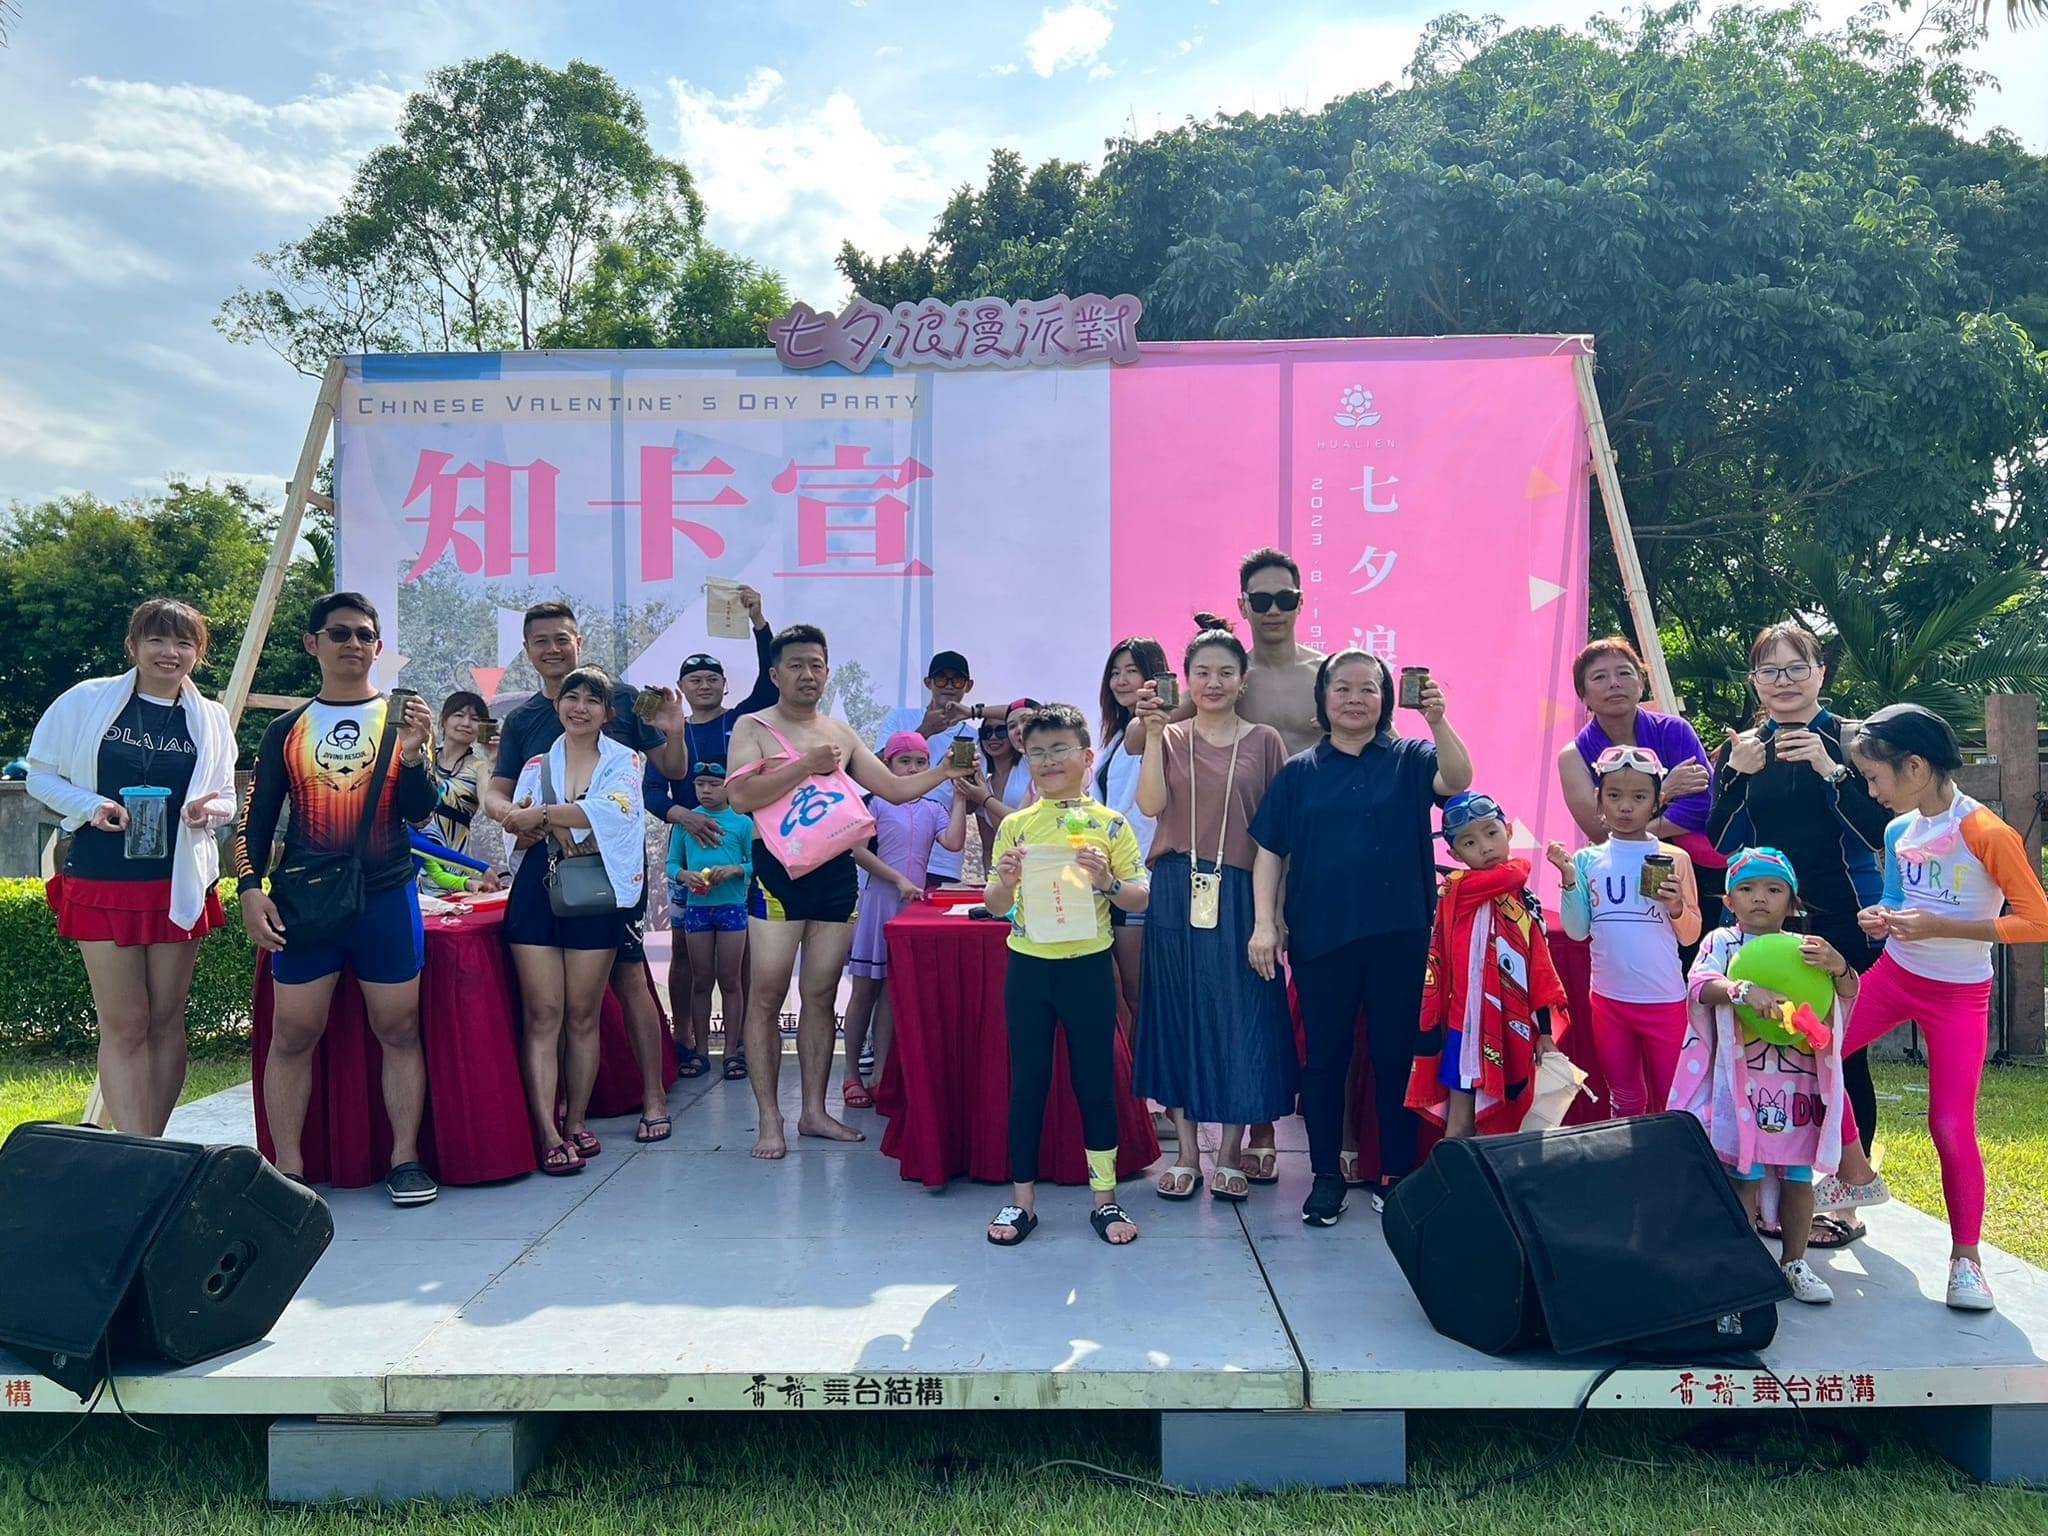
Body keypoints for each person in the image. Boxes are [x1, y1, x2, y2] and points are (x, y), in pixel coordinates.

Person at [1827, 705, 2048, 1312]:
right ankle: (1859, 1177)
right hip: (1895, 975)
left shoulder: (1987, 833)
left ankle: (1966, 1260)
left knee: (1950, 1127)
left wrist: (1939, 923)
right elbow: (1900, 900)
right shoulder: (1900, 832)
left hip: (1958, 996)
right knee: (1815, 1050)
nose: (1871, 791)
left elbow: (2036, 922)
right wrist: (1884, 918)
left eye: (1875, 778)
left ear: (1916, 766)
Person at [724, 624, 972, 1160]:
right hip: (777, 878)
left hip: (837, 876)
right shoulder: (754, 726)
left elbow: (895, 788)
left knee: (819, 994)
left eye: (816, 664)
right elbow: (739, 797)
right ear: (775, 674)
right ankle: (771, 1118)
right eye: (795, 665)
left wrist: (945, 773)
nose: (807, 674)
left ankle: (814, 1111)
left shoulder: (841, 731)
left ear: (827, 670)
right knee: (767, 996)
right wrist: (802, 767)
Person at [1249, 651, 1473, 1227]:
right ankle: (1326, 1176)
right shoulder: (1300, 771)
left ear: (1385, 698)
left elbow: (1459, 780)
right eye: (1342, 688)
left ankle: (1396, 1174)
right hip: (1322, 936)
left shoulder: (1410, 758)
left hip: (1400, 933)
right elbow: (1270, 851)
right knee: (1325, 1060)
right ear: (1323, 698)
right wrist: (1265, 923)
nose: (1354, 698)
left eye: (1367, 689)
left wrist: (1438, 720)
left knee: (1396, 1055)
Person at [234, 593, 440, 1207]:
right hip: (307, 900)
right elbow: (255, 820)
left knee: (399, 1028)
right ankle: (287, 1172)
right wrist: (248, 889)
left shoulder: (403, 720)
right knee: (293, 1034)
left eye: (365, 635)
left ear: (378, 647)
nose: (353, 644)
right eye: (340, 633)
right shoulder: (285, 729)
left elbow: (419, 812)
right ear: (312, 643)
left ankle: (404, 1158)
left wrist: (412, 754)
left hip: (386, 893)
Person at [1707, 622, 1891, 1250]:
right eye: (1768, 671)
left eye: (1795, 667)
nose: (1783, 682)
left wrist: (1833, 771)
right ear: (1754, 681)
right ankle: (1771, 1195)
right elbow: (1721, 840)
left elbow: (1878, 832)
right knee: (1766, 1056)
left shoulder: (1851, 740)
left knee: (1840, 1055)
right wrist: (1733, 775)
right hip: (1762, 924)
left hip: (1844, 919)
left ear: (1820, 672)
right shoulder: (1743, 746)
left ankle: (1845, 1200)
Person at [27, 598, 237, 1137]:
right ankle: (137, 1155)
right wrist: (92, 807)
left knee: (167, 1022)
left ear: (198, 652)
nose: (170, 653)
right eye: (158, 640)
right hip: (102, 881)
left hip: (177, 884)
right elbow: (40, 776)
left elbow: (228, 797)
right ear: (134, 645)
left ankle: (153, 1146)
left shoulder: (209, 717)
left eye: (184, 643)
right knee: (125, 1025)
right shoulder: (87, 701)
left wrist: (206, 810)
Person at [484, 602, 690, 1145]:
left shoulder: (623, 700)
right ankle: (553, 1128)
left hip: (608, 879)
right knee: (547, 1012)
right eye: (540, 641)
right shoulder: (525, 721)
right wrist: (507, 812)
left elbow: (665, 774)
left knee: (628, 983)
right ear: (528, 649)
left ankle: (651, 1097)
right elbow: (507, 796)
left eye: (562, 639)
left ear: (579, 639)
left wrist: (673, 731)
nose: (552, 649)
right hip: (543, 879)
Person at [1131, 624, 1293, 1202]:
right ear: (1186, 679)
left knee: (1241, 1014)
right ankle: (1185, 1151)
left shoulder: (1266, 740)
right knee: (1178, 1010)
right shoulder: (1170, 737)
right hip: (1177, 885)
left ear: (1243, 680)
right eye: (1202, 672)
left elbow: (1278, 838)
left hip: (1244, 889)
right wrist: (1153, 735)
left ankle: (1229, 1150)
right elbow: (1150, 805)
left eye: (1226, 672)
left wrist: (1271, 917)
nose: (1214, 682)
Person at [981, 704, 1149, 1247]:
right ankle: (1020, 1201)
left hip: (1089, 969)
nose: (1048, 760)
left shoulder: (1109, 824)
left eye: (1059, 750)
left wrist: (1105, 882)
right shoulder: (1015, 825)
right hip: (1029, 968)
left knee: (1094, 1083)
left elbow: (1140, 892)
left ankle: (1105, 1199)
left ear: (1085, 756)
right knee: (1027, 1082)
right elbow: (995, 901)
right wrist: (1006, 881)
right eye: (1037, 752)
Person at [1672, 847, 1854, 1306]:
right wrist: (1741, 990)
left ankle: (1794, 1262)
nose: (1759, 899)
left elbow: (1847, 995)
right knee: (1745, 1171)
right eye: (1747, 889)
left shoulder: (1806, 950)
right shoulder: (1721, 943)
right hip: (1741, 1085)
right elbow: (1698, 985)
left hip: (1796, 1084)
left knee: (1797, 1173)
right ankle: (1743, 1258)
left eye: (1774, 890)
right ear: (1729, 900)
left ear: (1793, 904)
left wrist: (1840, 967)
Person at [501, 665, 649, 1174]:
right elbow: (515, 829)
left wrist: (544, 816)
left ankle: (576, 1121)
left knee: (583, 1016)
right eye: (571, 697)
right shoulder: (538, 761)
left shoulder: (625, 759)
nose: (579, 706)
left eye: (591, 700)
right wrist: (539, 820)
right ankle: (546, 1130)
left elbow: (615, 810)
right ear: (558, 705)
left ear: (607, 713)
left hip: (594, 893)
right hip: (537, 892)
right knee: (544, 1016)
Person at [643, 585, 776, 1073]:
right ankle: (687, 1039)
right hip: (687, 849)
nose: (703, 685)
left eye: (711, 678)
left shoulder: (742, 721)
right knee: (683, 950)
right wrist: (687, 817)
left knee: (740, 957)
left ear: (724, 686)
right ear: (681, 688)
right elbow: (654, 794)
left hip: (741, 848)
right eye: (693, 679)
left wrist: (759, 621)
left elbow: (770, 679)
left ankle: (737, 1047)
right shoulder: (666, 734)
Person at [1405, 794, 1570, 1139]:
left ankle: (1485, 1192)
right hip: (1463, 1029)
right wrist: (1521, 866)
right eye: (1469, 842)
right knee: (1461, 1122)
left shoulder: (1525, 901)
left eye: (1492, 833)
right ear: (1454, 855)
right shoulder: (1457, 889)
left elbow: (1539, 966)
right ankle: (1446, 1191)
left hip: (1513, 1026)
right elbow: (1515, 871)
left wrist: (1544, 1033)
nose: (1484, 847)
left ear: (1509, 831)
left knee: (1506, 1124)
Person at [1556, 746, 1703, 1118]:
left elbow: (1690, 936)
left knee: (1674, 1098)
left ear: (1657, 802)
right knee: (1623, 1097)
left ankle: (1676, 1167)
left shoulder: (1675, 858)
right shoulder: (1587, 859)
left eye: (1639, 797)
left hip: (1665, 1000)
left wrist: (1675, 908)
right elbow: (1576, 932)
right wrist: (1569, 881)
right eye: (1614, 796)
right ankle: (1629, 1166)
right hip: (1608, 1001)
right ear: (1599, 800)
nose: (1625, 807)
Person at [1558, 637, 1723, 954]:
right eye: (1599, 677)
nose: (1614, 684)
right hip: (1623, 874)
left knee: (1702, 956)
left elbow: (1703, 806)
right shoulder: (1573, 756)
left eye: (1624, 673)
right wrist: (1666, 791)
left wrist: (1632, 824)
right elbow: (1599, 830)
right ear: (1583, 695)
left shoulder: (1675, 730)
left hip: (1699, 870)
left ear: (1641, 682)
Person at [842, 732, 971, 1108]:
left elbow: (954, 842)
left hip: (911, 908)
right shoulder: (876, 803)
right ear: (888, 765)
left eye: (920, 762)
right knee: (865, 991)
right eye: (905, 762)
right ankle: (851, 1074)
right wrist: (896, 878)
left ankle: (882, 1075)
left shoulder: (932, 808)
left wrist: (961, 794)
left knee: (892, 994)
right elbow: (857, 851)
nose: (914, 768)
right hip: (880, 902)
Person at [665, 761, 753, 1086]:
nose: (705, 790)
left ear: (728, 786)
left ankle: (732, 1051)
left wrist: (735, 870)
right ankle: (700, 1050)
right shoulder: (684, 823)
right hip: (698, 909)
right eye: (700, 784)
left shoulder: (742, 823)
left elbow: (755, 862)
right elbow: (672, 863)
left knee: (731, 981)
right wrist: (682, 875)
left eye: (713, 784)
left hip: (732, 908)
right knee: (701, 980)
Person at [1097, 639, 1167, 1040]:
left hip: (1140, 876)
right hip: (1107, 877)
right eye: (1115, 672)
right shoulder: (1113, 736)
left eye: (1131, 670)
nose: (1121, 680)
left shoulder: (1157, 728)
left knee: (1140, 995)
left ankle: (1148, 1096)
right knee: (1123, 995)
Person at [870, 649, 985, 891]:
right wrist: (924, 730)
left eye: (958, 680)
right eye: (942, 679)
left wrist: (968, 788)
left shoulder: (973, 737)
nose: (950, 686)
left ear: (969, 685)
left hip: (944, 857)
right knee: (887, 925)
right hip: (892, 852)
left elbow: (972, 808)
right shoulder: (901, 718)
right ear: (928, 682)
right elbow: (873, 770)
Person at [428, 691, 493, 853]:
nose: (466, 723)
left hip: (452, 861)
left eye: (475, 719)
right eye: (459, 715)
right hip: (408, 855)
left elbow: (489, 806)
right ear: (443, 720)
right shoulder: (422, 757)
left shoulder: (481, 768)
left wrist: (493, 757)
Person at [974, 698, 1040, 856]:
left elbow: (1022, 822)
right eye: (986, 732)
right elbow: (990, 847)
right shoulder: (983, 785)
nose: (993, 737)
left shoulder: (1033, 763)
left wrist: (973, 712)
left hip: (1042, 860)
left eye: (1001, 730)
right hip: (1009, 870)